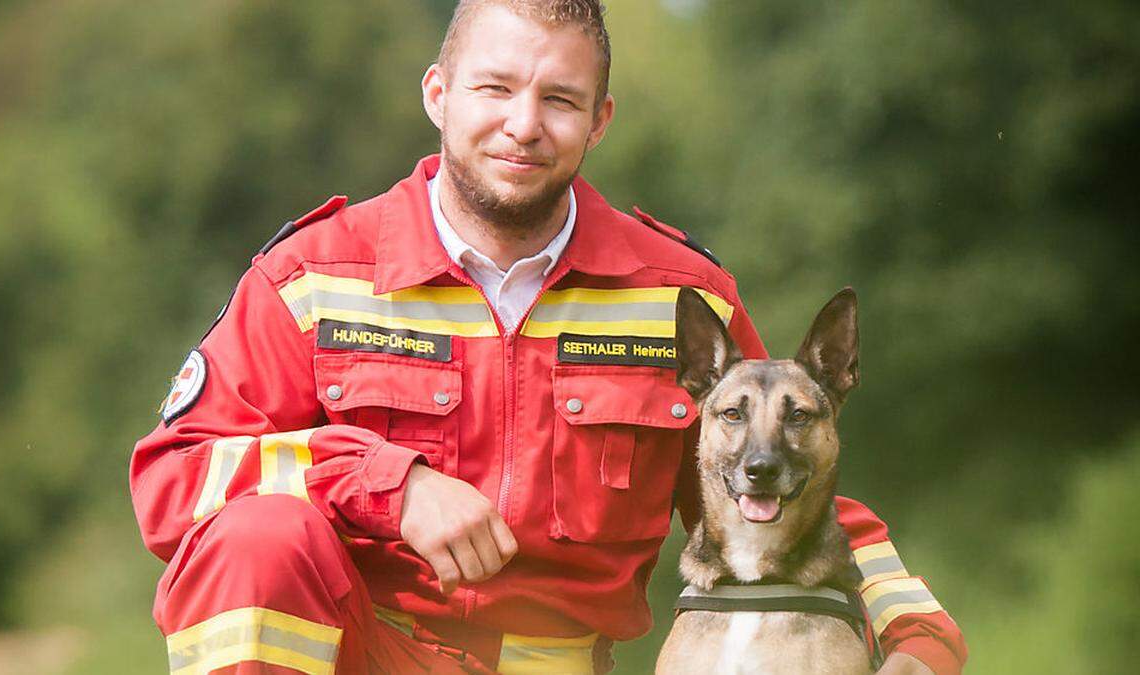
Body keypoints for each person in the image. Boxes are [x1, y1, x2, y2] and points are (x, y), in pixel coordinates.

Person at [130, 1, 967, 673]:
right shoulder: (310, 278)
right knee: (258, 536)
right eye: (494, 89)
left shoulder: (677, 296)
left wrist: (917, 633)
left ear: (599, 120)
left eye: (559, 99)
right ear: (438, 94)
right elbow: (173, 482)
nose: (523, 125)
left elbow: (780, 481)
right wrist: (388, 483)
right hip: (365, 651)